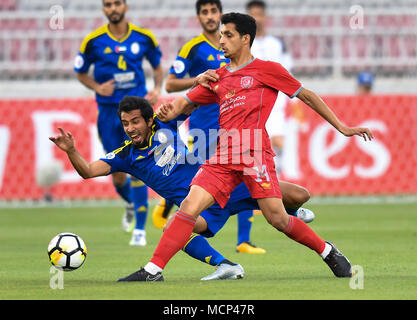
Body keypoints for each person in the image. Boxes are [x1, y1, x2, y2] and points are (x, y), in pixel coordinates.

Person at [123, 12, 374, 282]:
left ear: (245, 39)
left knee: (277, 218)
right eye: (220, 35)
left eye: (228, 35)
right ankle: (153, 270)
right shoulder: (216, 77)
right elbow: (181, 106)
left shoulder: (268, 69)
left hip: (254, 153)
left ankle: (327, 251)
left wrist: (343, 127)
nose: (221, 40)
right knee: (188, 206)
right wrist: (166, 111)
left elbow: (308, 96)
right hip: (222, 156)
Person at [49, 96, 312, 281]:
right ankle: (226, 266)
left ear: (149, 120)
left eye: (135, 122)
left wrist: (195, 88)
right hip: (199, 207)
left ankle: (290, 214)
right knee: (172, 227)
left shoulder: (165, 125)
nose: (130, 129)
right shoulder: (126, 156)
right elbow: (88, 171)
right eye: (126, 124)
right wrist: (71, 151)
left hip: (226, 185)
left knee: (301, 195)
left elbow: (195, 100)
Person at [73, 0, 164, 245]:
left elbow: (157, 67)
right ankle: (131, 204)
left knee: (140, 167)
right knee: (118, 176)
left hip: (137, 113)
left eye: (116, 3)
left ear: (125, 6)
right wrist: (96, 86)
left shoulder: (144, 37)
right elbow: (80, 71)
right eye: (107, 5)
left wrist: (156, 88)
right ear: (104, 9)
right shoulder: (93, 41)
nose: (112, 8)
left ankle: (140, 232)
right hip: (108, 115)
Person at [246, 0, 294, 179]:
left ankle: (276, 184)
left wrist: (293, 102)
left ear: (265, 17)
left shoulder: (277, 44)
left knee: (278, 142)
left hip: (276, 102)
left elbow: (289, 74)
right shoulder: (244, 43)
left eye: (259, 14)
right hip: (252, 103)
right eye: (253, 15)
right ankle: (256, 187)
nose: (257, 18)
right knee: (253, 146)